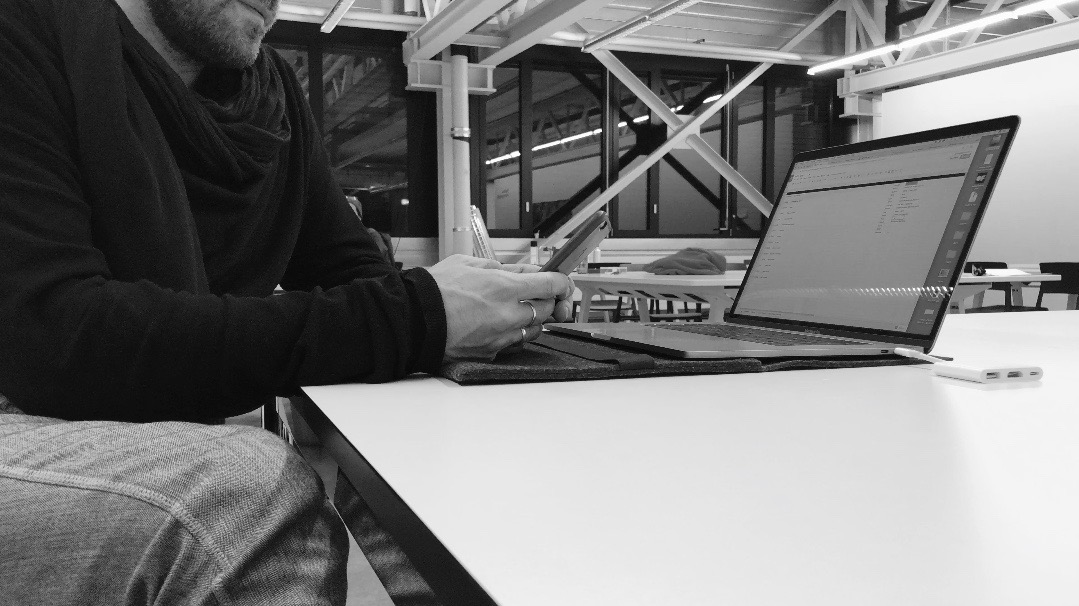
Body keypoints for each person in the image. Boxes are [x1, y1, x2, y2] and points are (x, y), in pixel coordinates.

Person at [0, 0, 574, 603]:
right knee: (247, 497)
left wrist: (472, 310)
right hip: (20, 411)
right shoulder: (26, 35)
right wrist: (417, 315)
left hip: (158, 419)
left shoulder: (269, 100)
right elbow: (54, 338)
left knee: (428, 449)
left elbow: (349, 269)